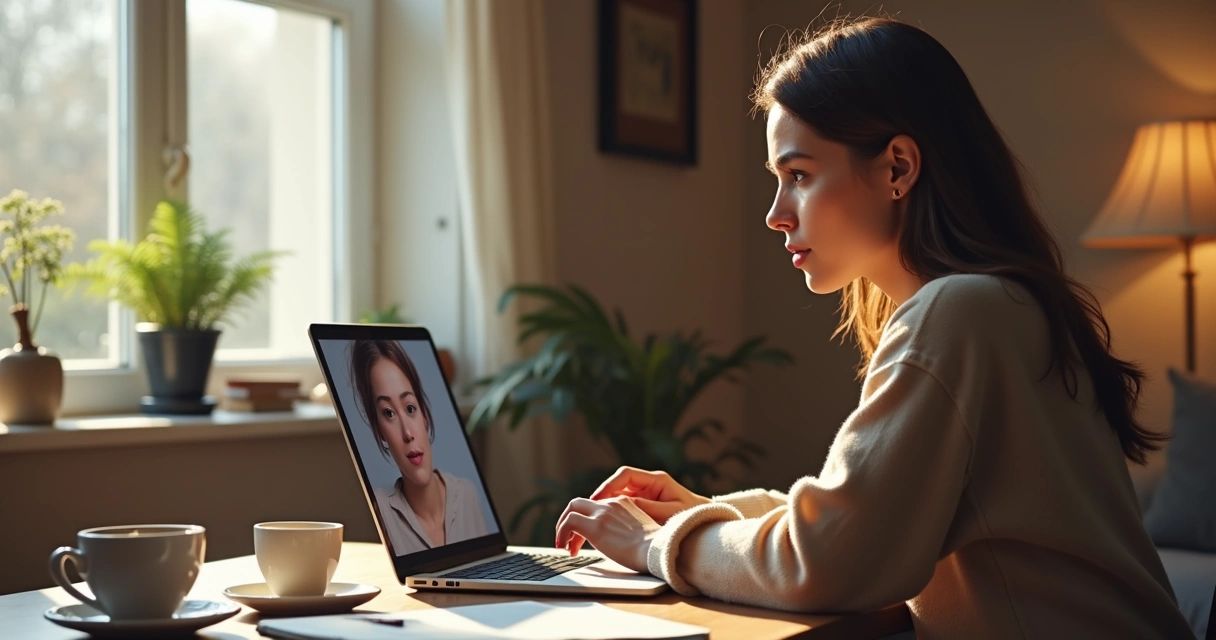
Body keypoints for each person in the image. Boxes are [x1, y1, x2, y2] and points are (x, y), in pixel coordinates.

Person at [553, 17, 1193, 639]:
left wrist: (654, 543)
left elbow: (835, 561)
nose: (776, 215)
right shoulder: (1007, 305)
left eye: (799, 176)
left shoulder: (961, 315)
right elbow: (870, 522)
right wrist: (698, 515)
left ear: (897, 168)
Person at [349, 340, 488, 555]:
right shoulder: (382, 512)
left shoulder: (466, 494)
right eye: (389, 413)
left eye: (410, 408)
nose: (407, 433)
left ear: (424, 414)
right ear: (379, 431)